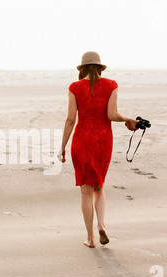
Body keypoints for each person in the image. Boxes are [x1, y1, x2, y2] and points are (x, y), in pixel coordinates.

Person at [58, 51, 138, 248]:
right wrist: (128, 119)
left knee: (85, 191)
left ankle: (91, 238)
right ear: (100, 67)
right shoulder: (111, 85)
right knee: (99, 187)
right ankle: (102, 224)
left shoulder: (75, 87)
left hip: (82, 140)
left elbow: (70, 119)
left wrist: (62, 146)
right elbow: (112, 115)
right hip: (103, 140)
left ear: (82, 68)